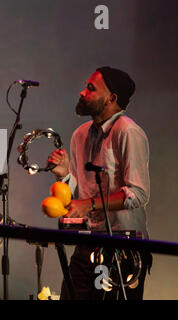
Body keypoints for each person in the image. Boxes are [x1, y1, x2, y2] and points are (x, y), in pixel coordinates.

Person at [48, 67, 152, 300]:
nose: (83, 92)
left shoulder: (128, 132)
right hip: (87, 245)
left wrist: (88, 204)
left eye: (91, 88)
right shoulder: (80, 134)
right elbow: (79, 195)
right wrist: (65, 176)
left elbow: (138, 193)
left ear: (111, 99)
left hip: (123, 248)